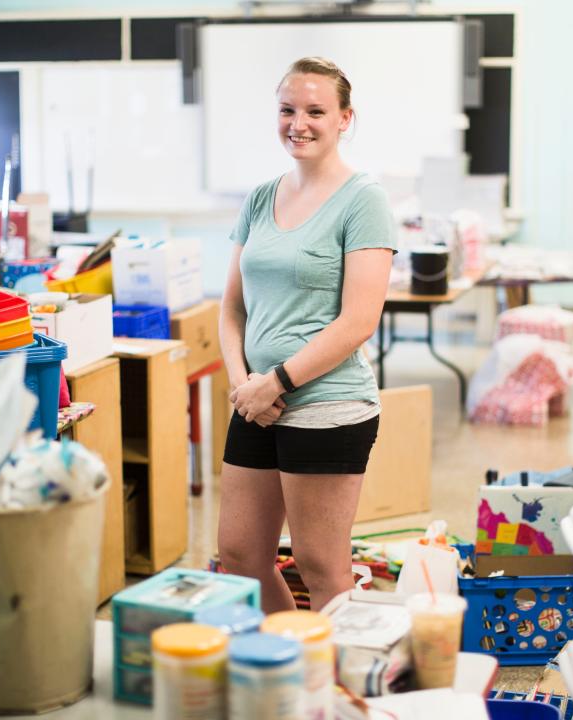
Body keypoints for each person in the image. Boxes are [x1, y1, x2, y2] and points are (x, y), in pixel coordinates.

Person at [217, 57, 397, 613]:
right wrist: (245, 386)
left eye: (316, 111)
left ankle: (336, 691)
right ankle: (291, 666)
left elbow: (359, 321)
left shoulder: (364, 199)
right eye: (288, 110)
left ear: (345, 118)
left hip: (327, 402)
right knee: (240, 556)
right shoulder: (259, 197)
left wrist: (277, 382)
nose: (300, 123)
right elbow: (231, 309)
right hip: (257, 402)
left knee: (321, 566)